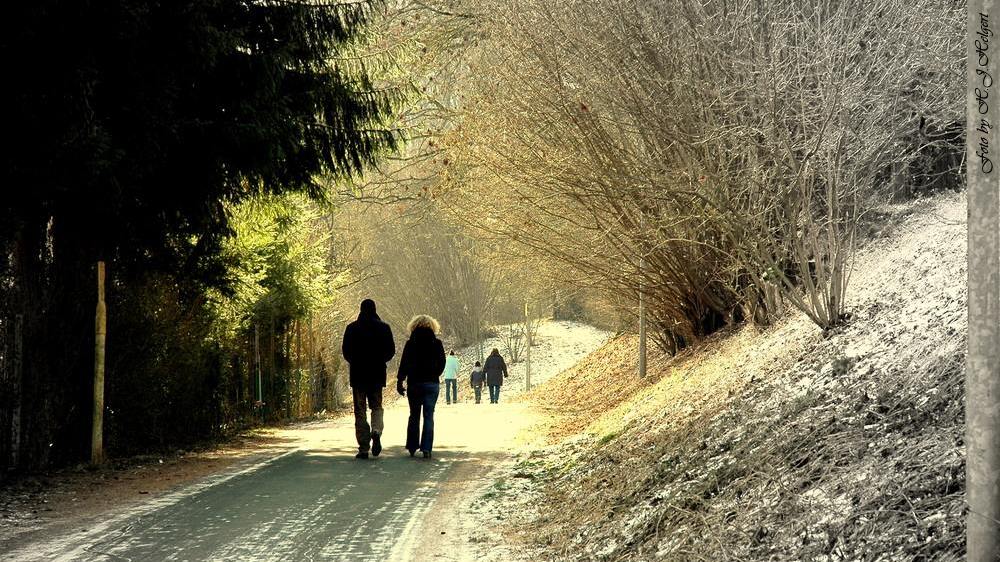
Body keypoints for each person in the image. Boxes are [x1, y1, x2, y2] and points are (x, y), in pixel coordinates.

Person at [341, 299, 395, 460]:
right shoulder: (384, 328)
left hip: (358, 375)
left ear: (361, 310)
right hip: (377, 374)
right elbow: (391, 351)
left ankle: (364, 448)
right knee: (376, 407)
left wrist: (356, 361)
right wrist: (380, 361)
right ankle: (376, 431)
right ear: (375, 309)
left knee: (360, 410)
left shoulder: (352, 328)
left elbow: (346, 351)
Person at [396, 315, 446, 459]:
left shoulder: (410, 343)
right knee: (429, 415)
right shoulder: (437, 343)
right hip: (431, 383)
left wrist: (400, 381)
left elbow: (404, 363)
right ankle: (426, 448)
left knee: (414, 414)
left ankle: (412, 446)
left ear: (414, 326)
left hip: (414, 383)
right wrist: (434, 373)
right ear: (432, 326)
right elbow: (442, 363)